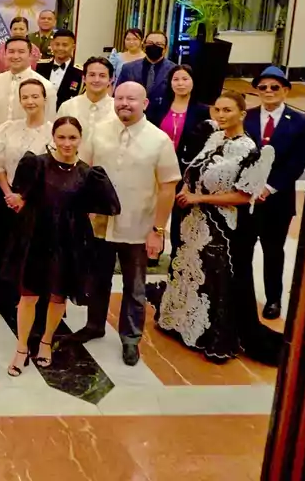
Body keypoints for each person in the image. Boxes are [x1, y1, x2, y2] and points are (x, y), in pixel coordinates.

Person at [158, 90, 281, 365]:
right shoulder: (214, 137)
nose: (222, 116)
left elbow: (243, 195)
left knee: (216, 280)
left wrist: (200, 197)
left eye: (228, 110)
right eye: (218, 110)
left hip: (221, 227)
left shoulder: (250, 150)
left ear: (242, 113)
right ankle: (183, 323)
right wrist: (188, 191)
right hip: (195, 220)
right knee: (191, 270)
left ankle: (212, 334)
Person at [73, 81, 181, 366]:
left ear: (144, 104)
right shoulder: (99, 131)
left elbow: (168, 187)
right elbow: (83, 170)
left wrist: (158, 231)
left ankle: (131, 339)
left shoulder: (159, 140)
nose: (124, 103)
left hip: (138, 226)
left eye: (131, 99)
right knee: (97, 279)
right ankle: (94, 325)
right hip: (101, 223)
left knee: (135, 287)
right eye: (119, 97)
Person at [2, 117, 120, 376]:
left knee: (58, 295)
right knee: (29, 296)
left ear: (80, 139)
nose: (67, 143)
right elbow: (23, 196)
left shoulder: (87, 174)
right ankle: (21, 346)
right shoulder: (38, 164)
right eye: (62, 137)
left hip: (68, 244)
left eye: (72, 138)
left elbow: (109, 205)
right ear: (53, 137)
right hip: (37, 239)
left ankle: (46, 341)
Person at [243, 66, 305, 320]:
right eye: (263, 87)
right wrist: (249, 187)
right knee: (243, 248)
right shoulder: (246, 117)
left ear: (285, 90)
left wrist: (269, 188)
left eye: (274, 87)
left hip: (278, 200)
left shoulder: (301, 123)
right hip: (245, 198)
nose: (268, 92)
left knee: (273, 251)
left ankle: (273, 299)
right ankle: (242, 296)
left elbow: (297, 162)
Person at [0, 79, 53, 303]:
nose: (30, 101)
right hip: (7, 193)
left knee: (31, 248)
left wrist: (25, 197)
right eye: (25, 97)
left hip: (38, 199)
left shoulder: (52, 132)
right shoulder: (8, 128)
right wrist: (8, 193)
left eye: (35, 96)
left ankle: (29, 292)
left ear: (44, 99)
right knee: (3, 242)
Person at [151, 64, 212, 254]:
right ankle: (153, 250)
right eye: (176, 79)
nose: (180, 83)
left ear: (193, 82)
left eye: (185, 79)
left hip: (186, 169)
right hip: (157, 167)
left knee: (180, 213)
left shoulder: (202, 111)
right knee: (154, 209)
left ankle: (178, 252)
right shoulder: (159, 107)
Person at [0, 37, 56, 135]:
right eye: (11, 52)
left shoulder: (45, 86)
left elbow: (49, 123)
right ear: (5, 54)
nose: (16, 56)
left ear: (30, 55)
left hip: (30, 146)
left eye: (21, 52)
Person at [117, 31, 178, 114]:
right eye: (150, 43)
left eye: (159, 44)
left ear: (165, 48)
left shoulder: (174, 70)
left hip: (162, 118)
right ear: (144, 45)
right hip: (132, 115)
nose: (154, 46)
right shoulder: (128, 68)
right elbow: (118, 94)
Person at [57, 57, 117, 134]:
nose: (96, 80)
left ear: (110, 80)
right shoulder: (67, 107)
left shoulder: (117, 109)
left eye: (102, 76)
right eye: (92, 75)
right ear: (84, 78)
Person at [36, 28, 82, 107]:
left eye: (65, 45)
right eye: (57, 44)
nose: (60, 48)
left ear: (73, 47)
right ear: (52, 45)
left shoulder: (80, 72)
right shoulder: (40, 67)